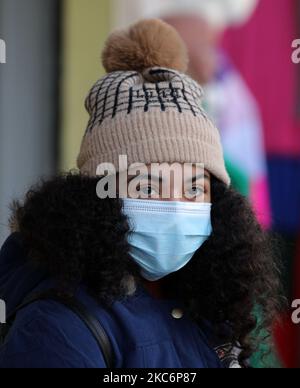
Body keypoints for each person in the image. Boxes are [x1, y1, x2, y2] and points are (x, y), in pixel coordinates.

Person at [0, 19, 282, 368]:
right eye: (147, 186)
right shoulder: (57, 327)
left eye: (195, 187)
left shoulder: (212, 308)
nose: (178, 207)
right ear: (95, 199)